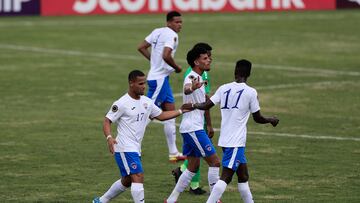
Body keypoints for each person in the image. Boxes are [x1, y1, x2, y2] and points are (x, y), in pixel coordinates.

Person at [185, 59, 280, 203]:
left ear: (235, 71)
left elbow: (206, 105)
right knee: (226, 177)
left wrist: (192, 104)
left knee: (243, 176)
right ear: (249, 74)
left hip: (225, 139)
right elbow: (258, 118)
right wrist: (271, 120)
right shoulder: (251, 92)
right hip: (236, 141)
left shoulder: (224, 88)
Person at [93, 70, 191, 203]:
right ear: (131, 83)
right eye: (140, 83)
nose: (144, 86)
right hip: (124, 147)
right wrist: (109, 137)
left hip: (135, 147)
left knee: (127, 180)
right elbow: (107, 121)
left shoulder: (147, 102)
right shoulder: (122, 103)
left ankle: (101, 201)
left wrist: (180, 110)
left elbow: (161, 116)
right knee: (138, 175)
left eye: (144, 83)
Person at [165, 47, 221, 203]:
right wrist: (192, 88)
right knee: (215, 162)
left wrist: (209, 124)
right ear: (196, 61)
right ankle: (214, 199)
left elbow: (205, 103)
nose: (209, 59)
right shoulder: (192, 76)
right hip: (193, 129)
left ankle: (171, 200)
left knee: (193, 166)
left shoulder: (200, 77)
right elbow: (187, 88)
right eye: (205, 58)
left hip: (191, 128)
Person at [137, 11, 185, 162]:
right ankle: (131, 145)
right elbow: (166, 55)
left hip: (162, 79)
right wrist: (177, 67)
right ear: (169, 22)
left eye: (181, 22)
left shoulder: (157, 31)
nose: (180, 25)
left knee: (170, 114)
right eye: (177, 22)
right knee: (146, 113)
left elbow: (142, 47)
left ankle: (173, 153)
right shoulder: (171, 35)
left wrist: (154, 62)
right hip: (158, 81)